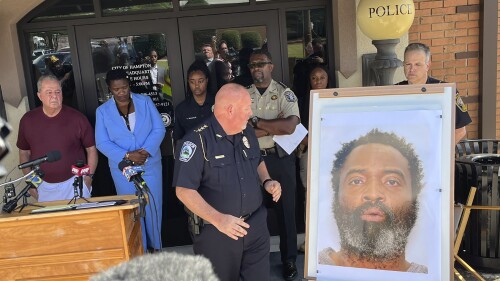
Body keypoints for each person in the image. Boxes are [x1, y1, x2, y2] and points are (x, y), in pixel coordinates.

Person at [173, 83, 282, 281]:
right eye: (247, 108)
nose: (251, 113)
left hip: (255, 225)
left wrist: (267, 180)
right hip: (218, 233)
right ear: (229, 110)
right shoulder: (196, 141)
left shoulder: (247, 131)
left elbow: (256, 160)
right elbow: (184, 190)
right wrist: (219, 220)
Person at [318, 129, 428, 273]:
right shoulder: (317, 267)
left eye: (392, 182)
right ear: (336, 195)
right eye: (356, 181)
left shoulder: (430, 275)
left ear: (414, 197)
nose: (373, 193)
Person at [95, 69, 166, 251]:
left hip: (149, 164)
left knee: (153, 208)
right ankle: (139, 251)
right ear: (110, 89)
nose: (121, 92)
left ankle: (156, 249)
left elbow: (159, 129)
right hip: (124, 171)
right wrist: (128, 155)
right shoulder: (102, 111)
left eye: (124, 87)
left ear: (129, 85)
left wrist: (145, 152)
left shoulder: (145, 101)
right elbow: (102, 142)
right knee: (133, 210)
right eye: (116, 89)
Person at [246, 48, 300, 280]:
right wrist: (273, 125)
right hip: (252, 160)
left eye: (261, 63)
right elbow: (240, 130)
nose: (256, 68)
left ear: (271, 66)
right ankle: (253, 260)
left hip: (280, 158)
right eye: (252, 65)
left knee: (286, 211)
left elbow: (290, 127)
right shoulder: (243, 95)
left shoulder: (285, 93)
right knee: (251, 212)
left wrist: (257, 123)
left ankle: (289, 261)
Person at [17, 75, 98, 202]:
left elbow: (91, 149)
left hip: (76, 182)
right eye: (49, 92)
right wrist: (31, 183)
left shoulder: (77, 118)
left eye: (58, 92)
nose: (54, 96)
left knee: (80, 222)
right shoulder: (28, 120)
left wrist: (88, 178)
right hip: (43, 185)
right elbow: (24, 153)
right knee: (52, 222)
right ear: (39, 96)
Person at [396, 42, 472, 144]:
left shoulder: (446, 91)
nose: (412, 69)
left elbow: (460, 131)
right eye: (408, 64)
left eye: (417, 64)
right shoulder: (394, 92)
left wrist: (439, 153)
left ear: (428, 66)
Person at [297, 64, 331, 252]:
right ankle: (310, 240)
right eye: (314, 78)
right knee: (309, 197)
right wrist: (311, 139)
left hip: (332, 153)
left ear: (328, 80)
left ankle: (330, 239)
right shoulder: (302, 102)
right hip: (309, 153)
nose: (318, 82)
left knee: (332, 195)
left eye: (322, 78)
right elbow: (294, 130)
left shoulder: (337, 100)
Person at [173, 60, 215, 142]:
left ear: (207, 80)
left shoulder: (218, 103)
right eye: (192, 82)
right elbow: (178, 139)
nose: (196, 85)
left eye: (200, 81)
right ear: (188, 82)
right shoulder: (181, 109)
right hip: (193, 152)